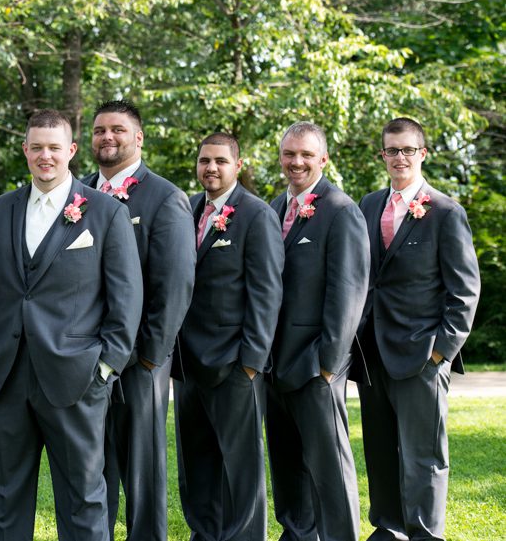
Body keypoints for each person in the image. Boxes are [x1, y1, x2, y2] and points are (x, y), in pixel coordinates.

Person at [0, 109, 143, 541]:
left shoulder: (105, 213)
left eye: (54, 148)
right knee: (3, 497)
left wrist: (105, 368)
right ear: (25, 150)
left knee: (83, 498)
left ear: (71, 151)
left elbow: (126, 299)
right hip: (3, 377)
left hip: (76, 379)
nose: (45, 156)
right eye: (37, 147)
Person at [357, 117, 480, 541]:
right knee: (379, 449)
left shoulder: (445, 211)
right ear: (383, 155)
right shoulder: (368, 205)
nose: (399, 157)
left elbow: (464, 290)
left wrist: (440, 352)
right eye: (392, 150)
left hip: (422, 354)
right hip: (373, 354)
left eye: (408, 149)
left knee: (424, 455)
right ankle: (388, 529)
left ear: (422, 153)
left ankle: (426, 532)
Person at [80, 99, 194, 541]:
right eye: (99, 130)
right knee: (92, 466)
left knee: (142, 474)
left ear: (138, 137)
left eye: (118, 130)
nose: (107, 138)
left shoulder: (165, 197)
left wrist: (147, 356)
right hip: (86, 357)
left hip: (140, 362)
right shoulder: (78, 192)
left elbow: (176, 284)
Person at [174, 132, 284, 540]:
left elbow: (267, 291)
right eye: (205, 161)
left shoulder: (256, 215)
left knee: (241, 471)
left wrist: (252, 362)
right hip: (188, 363)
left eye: (220, 161)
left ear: (238, 165)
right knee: (196, 465)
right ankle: (205, 534)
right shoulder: (184, 209)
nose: (211, 168)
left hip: (235, 364)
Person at [265, 122, 370, 541]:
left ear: (323, 159)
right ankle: (298, 535)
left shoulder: (341, 211)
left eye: (306, 155)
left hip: (315, 363)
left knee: (329, 467)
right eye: (289, 154)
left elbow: (349, 294)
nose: (297, 162)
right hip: (274, 362)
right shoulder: (272, 208)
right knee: (286, 463)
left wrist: (329, 365)